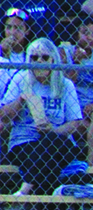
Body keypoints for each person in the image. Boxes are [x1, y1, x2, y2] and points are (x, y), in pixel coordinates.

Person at [0, 37, 82, 197]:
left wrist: (54, 130)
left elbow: (75, 122)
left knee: (52, 142)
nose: (39, 61)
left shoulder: (65, 84)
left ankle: (25, 189)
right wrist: (21, 100)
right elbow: (3, 115)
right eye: (34, 57)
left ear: (53, 59)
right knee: (49, 163)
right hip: (24, 142)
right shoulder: (20, 78)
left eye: (44, 57)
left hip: (59, 141)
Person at [58, 15, 93, 166]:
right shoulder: (64, 52)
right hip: (70, 107)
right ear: (76, 34)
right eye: (85, 32)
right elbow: (62, 86)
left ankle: (91, 166)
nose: (90, 37)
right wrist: (76, 63)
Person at [0, 7, 34, 96]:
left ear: (27, 31)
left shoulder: (33, 54)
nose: (12, 32)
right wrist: (2, 54)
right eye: (8, 27)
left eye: (18, 28)